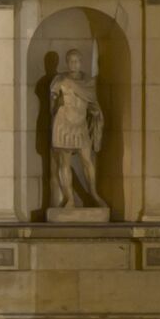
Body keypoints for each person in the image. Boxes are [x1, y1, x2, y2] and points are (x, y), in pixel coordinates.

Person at [42, 47, 107, 217]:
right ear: (66, 62)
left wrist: (96, 113)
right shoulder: (59, 80)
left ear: (81, 62)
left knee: (87, 160)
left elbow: (93, 104)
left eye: (76, 61)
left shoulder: (88, 82)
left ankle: (93, 194)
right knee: (64, 163)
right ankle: (69, 199)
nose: (74, 64)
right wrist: (57, 103)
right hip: (63, 124)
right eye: (70, 61)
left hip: (80, 125)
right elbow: (51, 107)